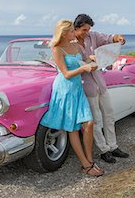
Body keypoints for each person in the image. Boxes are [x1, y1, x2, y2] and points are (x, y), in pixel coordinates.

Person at [40, 19, 104, 177]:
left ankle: (89, 160)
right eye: (70, 31)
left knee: (89, 123)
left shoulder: (75, 45)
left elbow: (80, 64)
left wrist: (91, 60)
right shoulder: (57, 49)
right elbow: (66, 74)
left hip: (77, 89)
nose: (73, 33)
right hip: (65, 89)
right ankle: (86, 165)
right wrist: (84, 67)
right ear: (63, 33)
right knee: (73, 129)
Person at [73, 14, 129, 164]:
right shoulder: (70, 42)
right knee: (96, 120)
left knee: (109, 114)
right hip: (86, 86)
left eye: (88, 30)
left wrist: (119, 38)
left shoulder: (93, 36)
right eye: (84, 30)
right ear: (76, 27)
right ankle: (104, 150)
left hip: (99, 82)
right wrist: (87, 60)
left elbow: (110, 38)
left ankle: (113, 146)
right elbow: (72, 65)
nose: (87, 33)